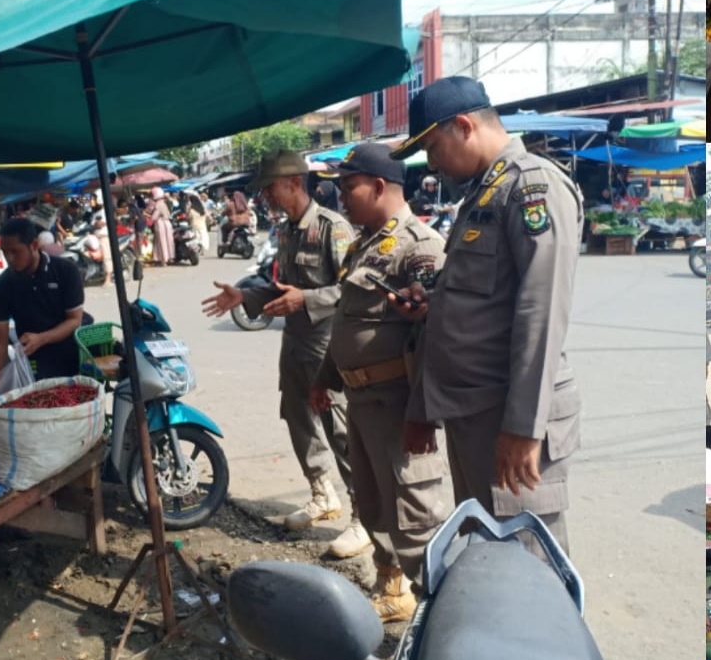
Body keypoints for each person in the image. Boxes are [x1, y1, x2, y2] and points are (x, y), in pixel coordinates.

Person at [388, 76, 584, 555]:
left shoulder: (531, 187)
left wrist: (523, 428)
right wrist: (433, 301)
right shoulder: (483, 193)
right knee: (489, 564)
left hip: (510, 420)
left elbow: (541, 311)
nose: (431, 163)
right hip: (475, 417)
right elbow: (482, 300)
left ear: (463, 126)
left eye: (433, 148)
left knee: (529, 573)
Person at [201, 151, 370, 558]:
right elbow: (284, 293)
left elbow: (354, 291)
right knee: (298, 421)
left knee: (342, 432)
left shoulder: (334, 229)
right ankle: (322, 493)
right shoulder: (287, 230)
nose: (266, 196)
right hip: (295, 346)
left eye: (271, 187)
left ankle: (363, 517)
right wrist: (245, 295)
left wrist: (305, 299)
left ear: (294, 182)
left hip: (329, 349)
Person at [311, 143, 453, 623]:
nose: (341, 197)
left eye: (348, 188)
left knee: (414, 517)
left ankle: (443, 617)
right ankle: (393, 592)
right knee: (373, 507)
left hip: (398, 405)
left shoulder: (420, 245)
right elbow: (347, 322)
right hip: (360, 399)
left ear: (378, 186)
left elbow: (435, 337)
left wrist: (424, 414)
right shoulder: (362, 245)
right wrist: (325, 377)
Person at [0, 218, 85, 383]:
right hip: (31, 360)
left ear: (34, 245)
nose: (9, 258)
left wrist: (41, 338)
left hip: (70, 353)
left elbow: (75, 320)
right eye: (4, 252)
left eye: (15, 251)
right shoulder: (1, 287)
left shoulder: (66, 271)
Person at [147, 186, 174, 266]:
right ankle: (170, 257)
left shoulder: (158, 205)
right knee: (169, 241)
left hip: (160, 224)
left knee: (162, 242)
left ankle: (163, 260)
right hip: (168, 223)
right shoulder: (165, 203)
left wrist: (148, 216)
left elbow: (154, 217)